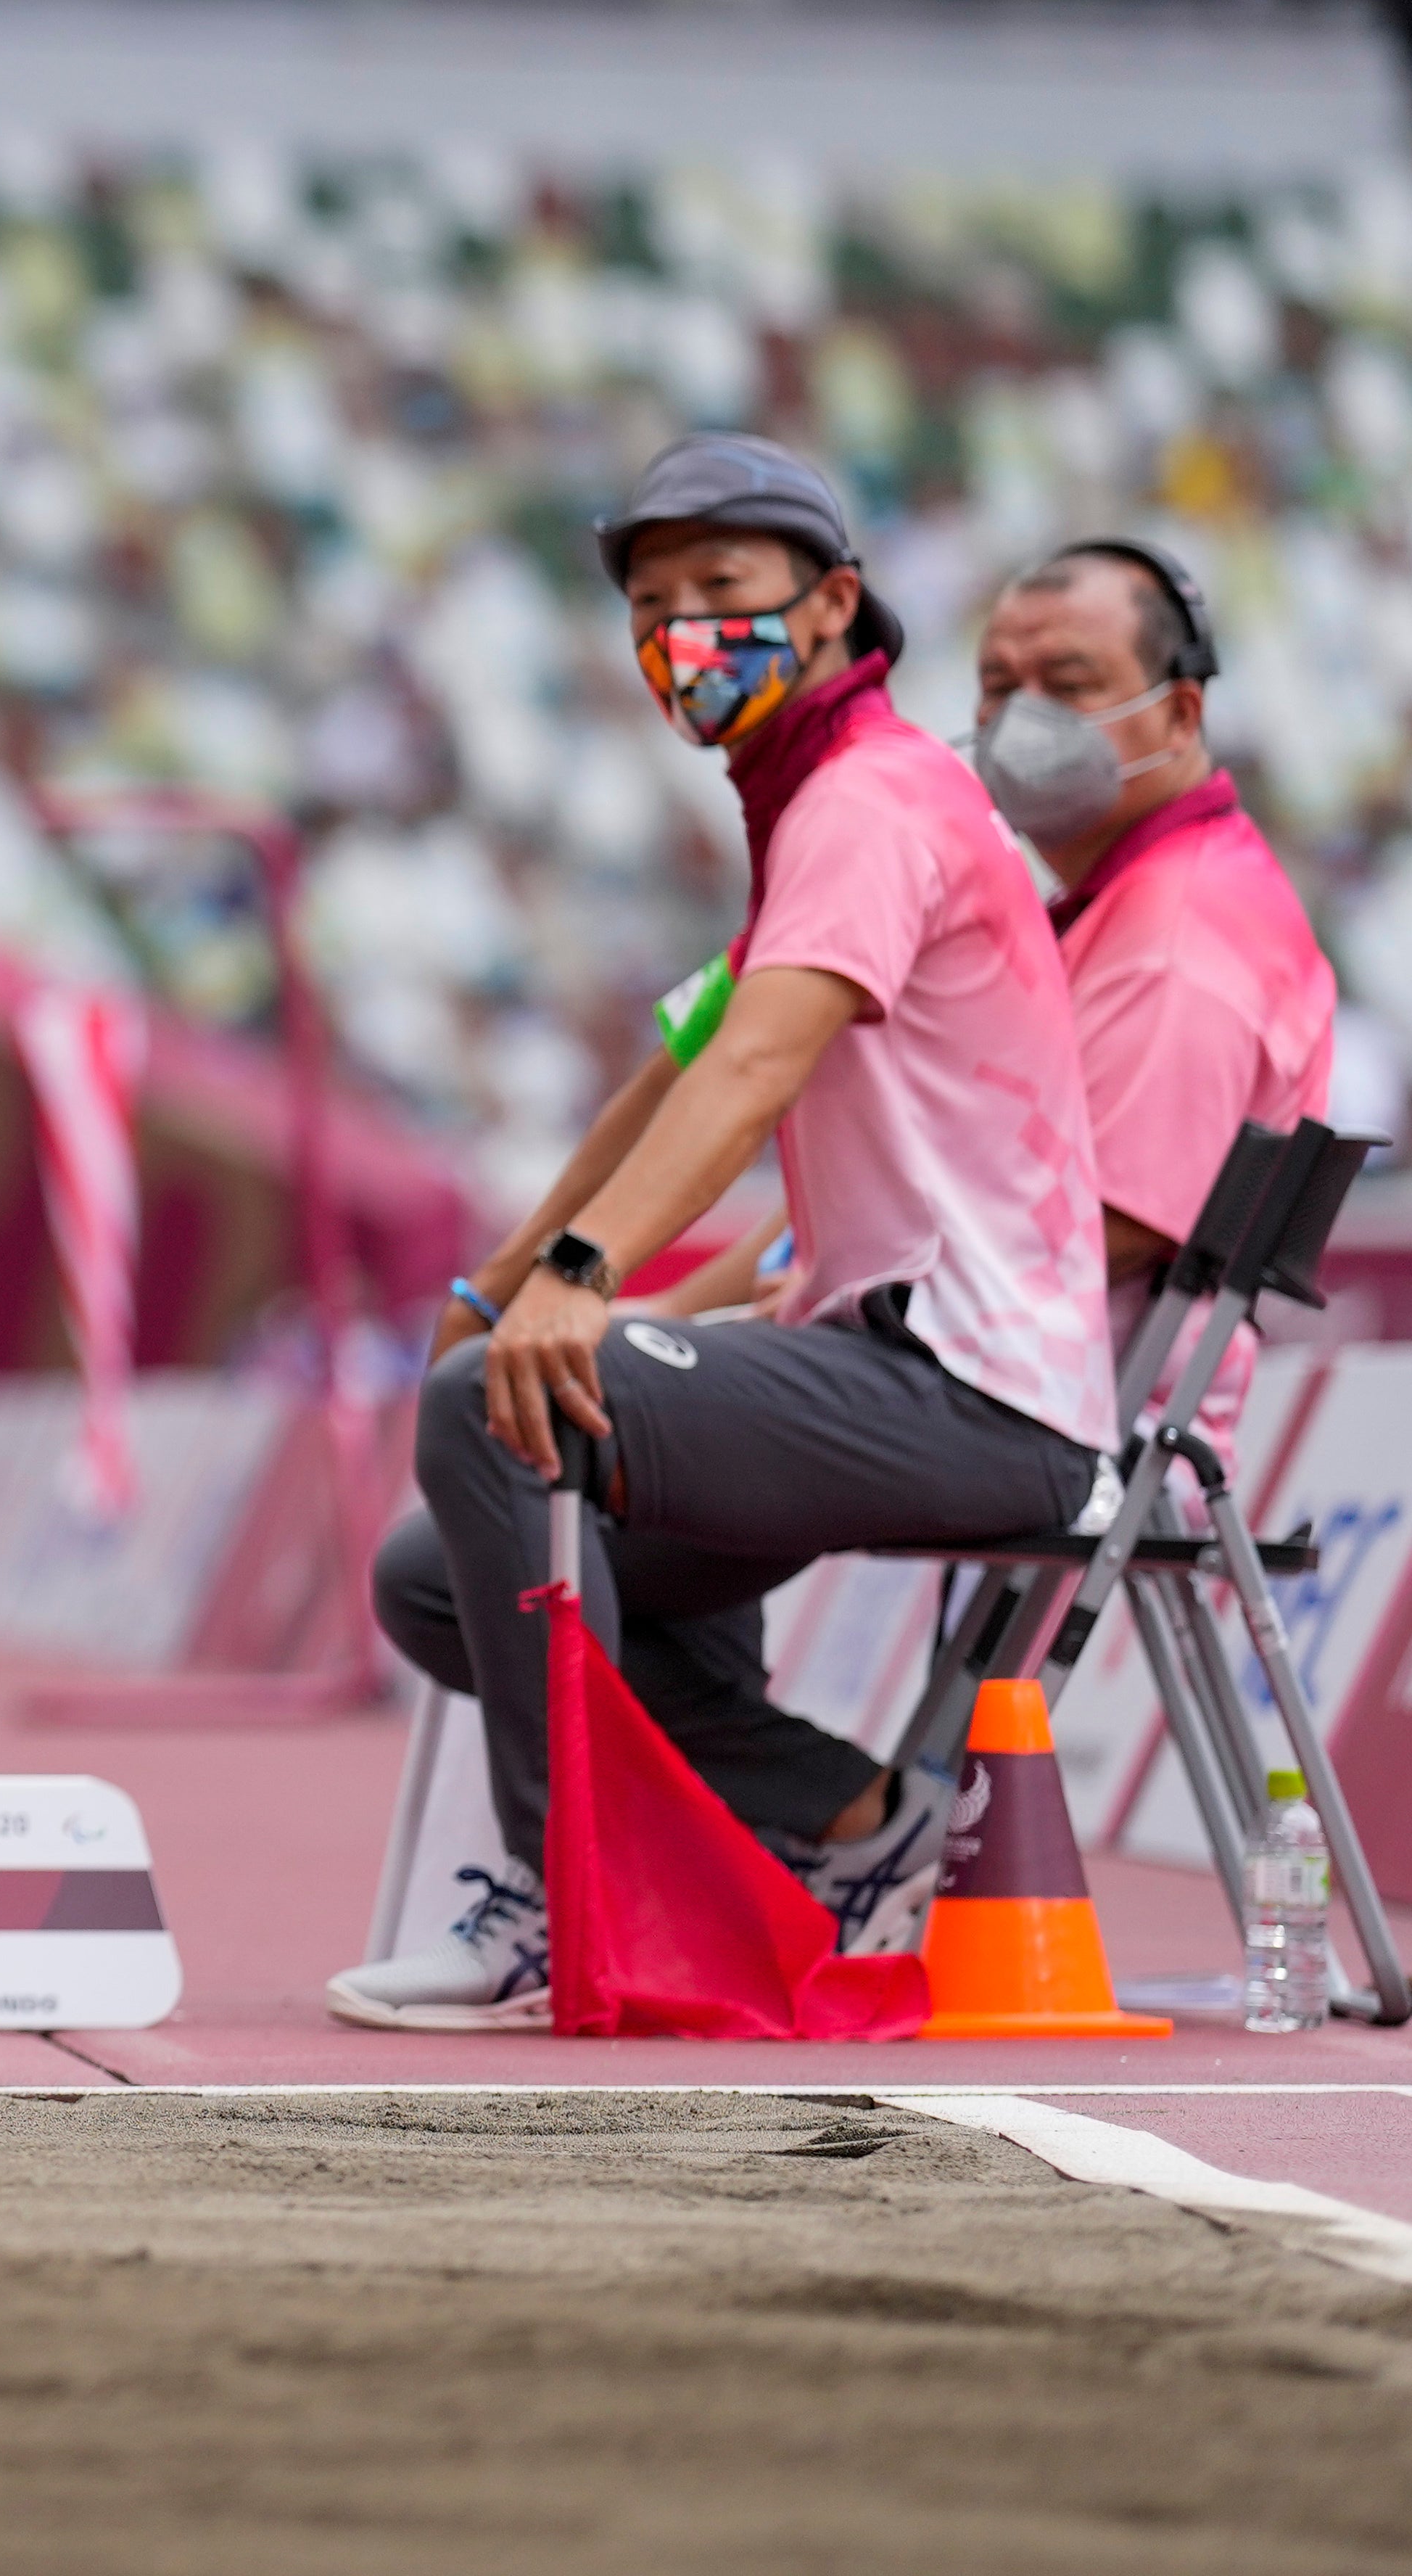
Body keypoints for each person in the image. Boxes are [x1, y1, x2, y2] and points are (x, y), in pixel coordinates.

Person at [330, 434, 1114, 2031]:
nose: (687, 631)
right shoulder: (815, 801)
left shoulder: (876, 799)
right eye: (654, 600)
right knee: (431, 1573)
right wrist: (499, 1279)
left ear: (831, 605)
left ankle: (576, 1903)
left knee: (501, 1415)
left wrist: (575, 1282)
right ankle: (838, 1813)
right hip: (881, 1355)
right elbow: (679, 1064)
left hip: (973, 1387)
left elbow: (757, 1070)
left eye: (726, 592)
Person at [668, 539, 1331, 1463]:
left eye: (1068, 681)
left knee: (596, 1422)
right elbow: (872, 1205)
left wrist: (814, 1314)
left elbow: (1109, 1229)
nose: (1022, 718)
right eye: (999, 684)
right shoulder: (1106, 911)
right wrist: (684, 1311)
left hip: (1038, 1414)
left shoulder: (1182, 939)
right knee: (629, 1396)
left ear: (1181, 714)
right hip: (974, 1379)